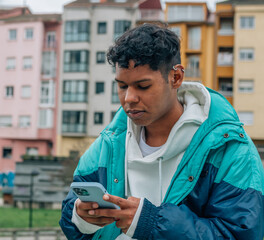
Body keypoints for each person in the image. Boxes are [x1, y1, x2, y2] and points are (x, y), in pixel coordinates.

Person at [59, 23, 264, 240]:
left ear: (176, 78)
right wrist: (81, 217)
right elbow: (71, 214)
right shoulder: (108, 142)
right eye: (122, 86)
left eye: (143, 86)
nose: (129, 98)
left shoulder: (231, 150)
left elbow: (241, 234)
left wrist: (151, 222)